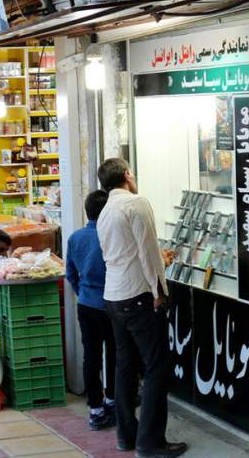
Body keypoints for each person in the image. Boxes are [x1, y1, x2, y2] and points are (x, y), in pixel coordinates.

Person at [96, 158, 184, 458]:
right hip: (138, 295)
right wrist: (160, 290)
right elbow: (147, 252)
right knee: (157, 368)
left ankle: (127, 435)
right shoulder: (137, 203)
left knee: (125, 366)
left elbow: (128, 251)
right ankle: (150, 443)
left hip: (114, 295)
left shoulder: (106, 210)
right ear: (127, 176)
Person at [66, 190, 116, 431]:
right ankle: (113, 401)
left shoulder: (76, 238)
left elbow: (70, 274)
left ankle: (95, 410)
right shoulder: (112, 236)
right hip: (112, 304)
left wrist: (83, 292)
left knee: (91, 358)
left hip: (86, 305)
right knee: (115, 354)